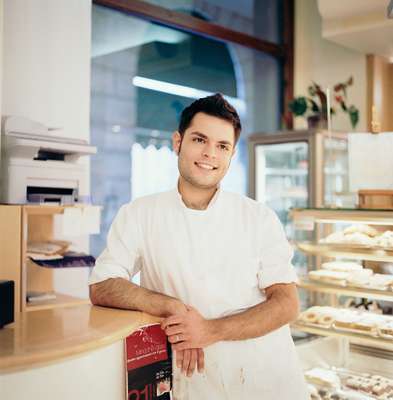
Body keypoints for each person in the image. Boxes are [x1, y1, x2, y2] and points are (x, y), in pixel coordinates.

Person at [89, 93, 309, 399]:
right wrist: (171, 306)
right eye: (199, 140)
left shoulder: (258, 218)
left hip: (264, 378)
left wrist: (209, 330)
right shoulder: (140, 213)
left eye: (222, 146)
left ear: (231, 155)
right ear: (177, 142)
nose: (210, 154)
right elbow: (102, 285)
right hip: (192, 380)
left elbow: (286, 303)